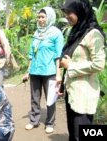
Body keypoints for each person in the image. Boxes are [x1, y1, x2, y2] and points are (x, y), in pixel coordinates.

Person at [59, 0, 106, 141]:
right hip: (72, 91)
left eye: (69, 12)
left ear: (80, 11)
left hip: (84, 92)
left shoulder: (93, 34)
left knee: (82, 134)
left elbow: (99, 64)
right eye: (65, 13)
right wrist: (62, 83)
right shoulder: (76, 31)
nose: (66, 16)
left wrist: (71, 66)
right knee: (73, 133)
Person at [22, 7, 64, 134]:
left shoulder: (56, 33)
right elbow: (31, 54)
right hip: (35, 71)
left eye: (43, 17)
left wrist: (58, 74)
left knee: (50, 98)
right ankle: (34, 120)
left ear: (49, 17)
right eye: (39, 17)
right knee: (35, 98)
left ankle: (50, 122)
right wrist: (28, 71)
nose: (40, 20)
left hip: (50, 71)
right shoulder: (37, 33)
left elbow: (58, 55)